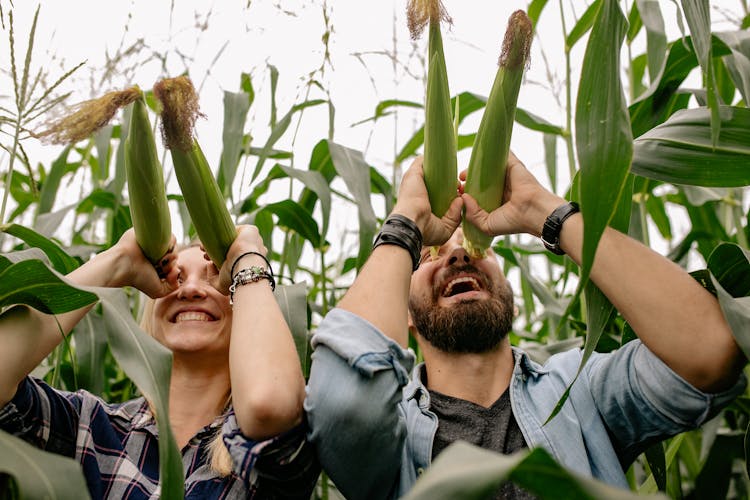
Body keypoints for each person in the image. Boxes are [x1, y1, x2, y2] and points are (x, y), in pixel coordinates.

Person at [305, 153, 747, 499]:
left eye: (479, 248)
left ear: (508, 286)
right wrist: (405, 226)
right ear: (401, 314)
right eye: (429, 257)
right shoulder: (393, 435)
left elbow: (711, 349)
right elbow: (342, 405)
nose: (458, 255)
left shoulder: (580, 390)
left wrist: (544, 211)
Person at [0, 225, 318, 499]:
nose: (191, 289)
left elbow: (269, 405)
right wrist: (118, 261)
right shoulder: (90, 428)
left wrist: (247, 260)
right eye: (176, 278)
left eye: (216, 280)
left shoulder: (254, 452)